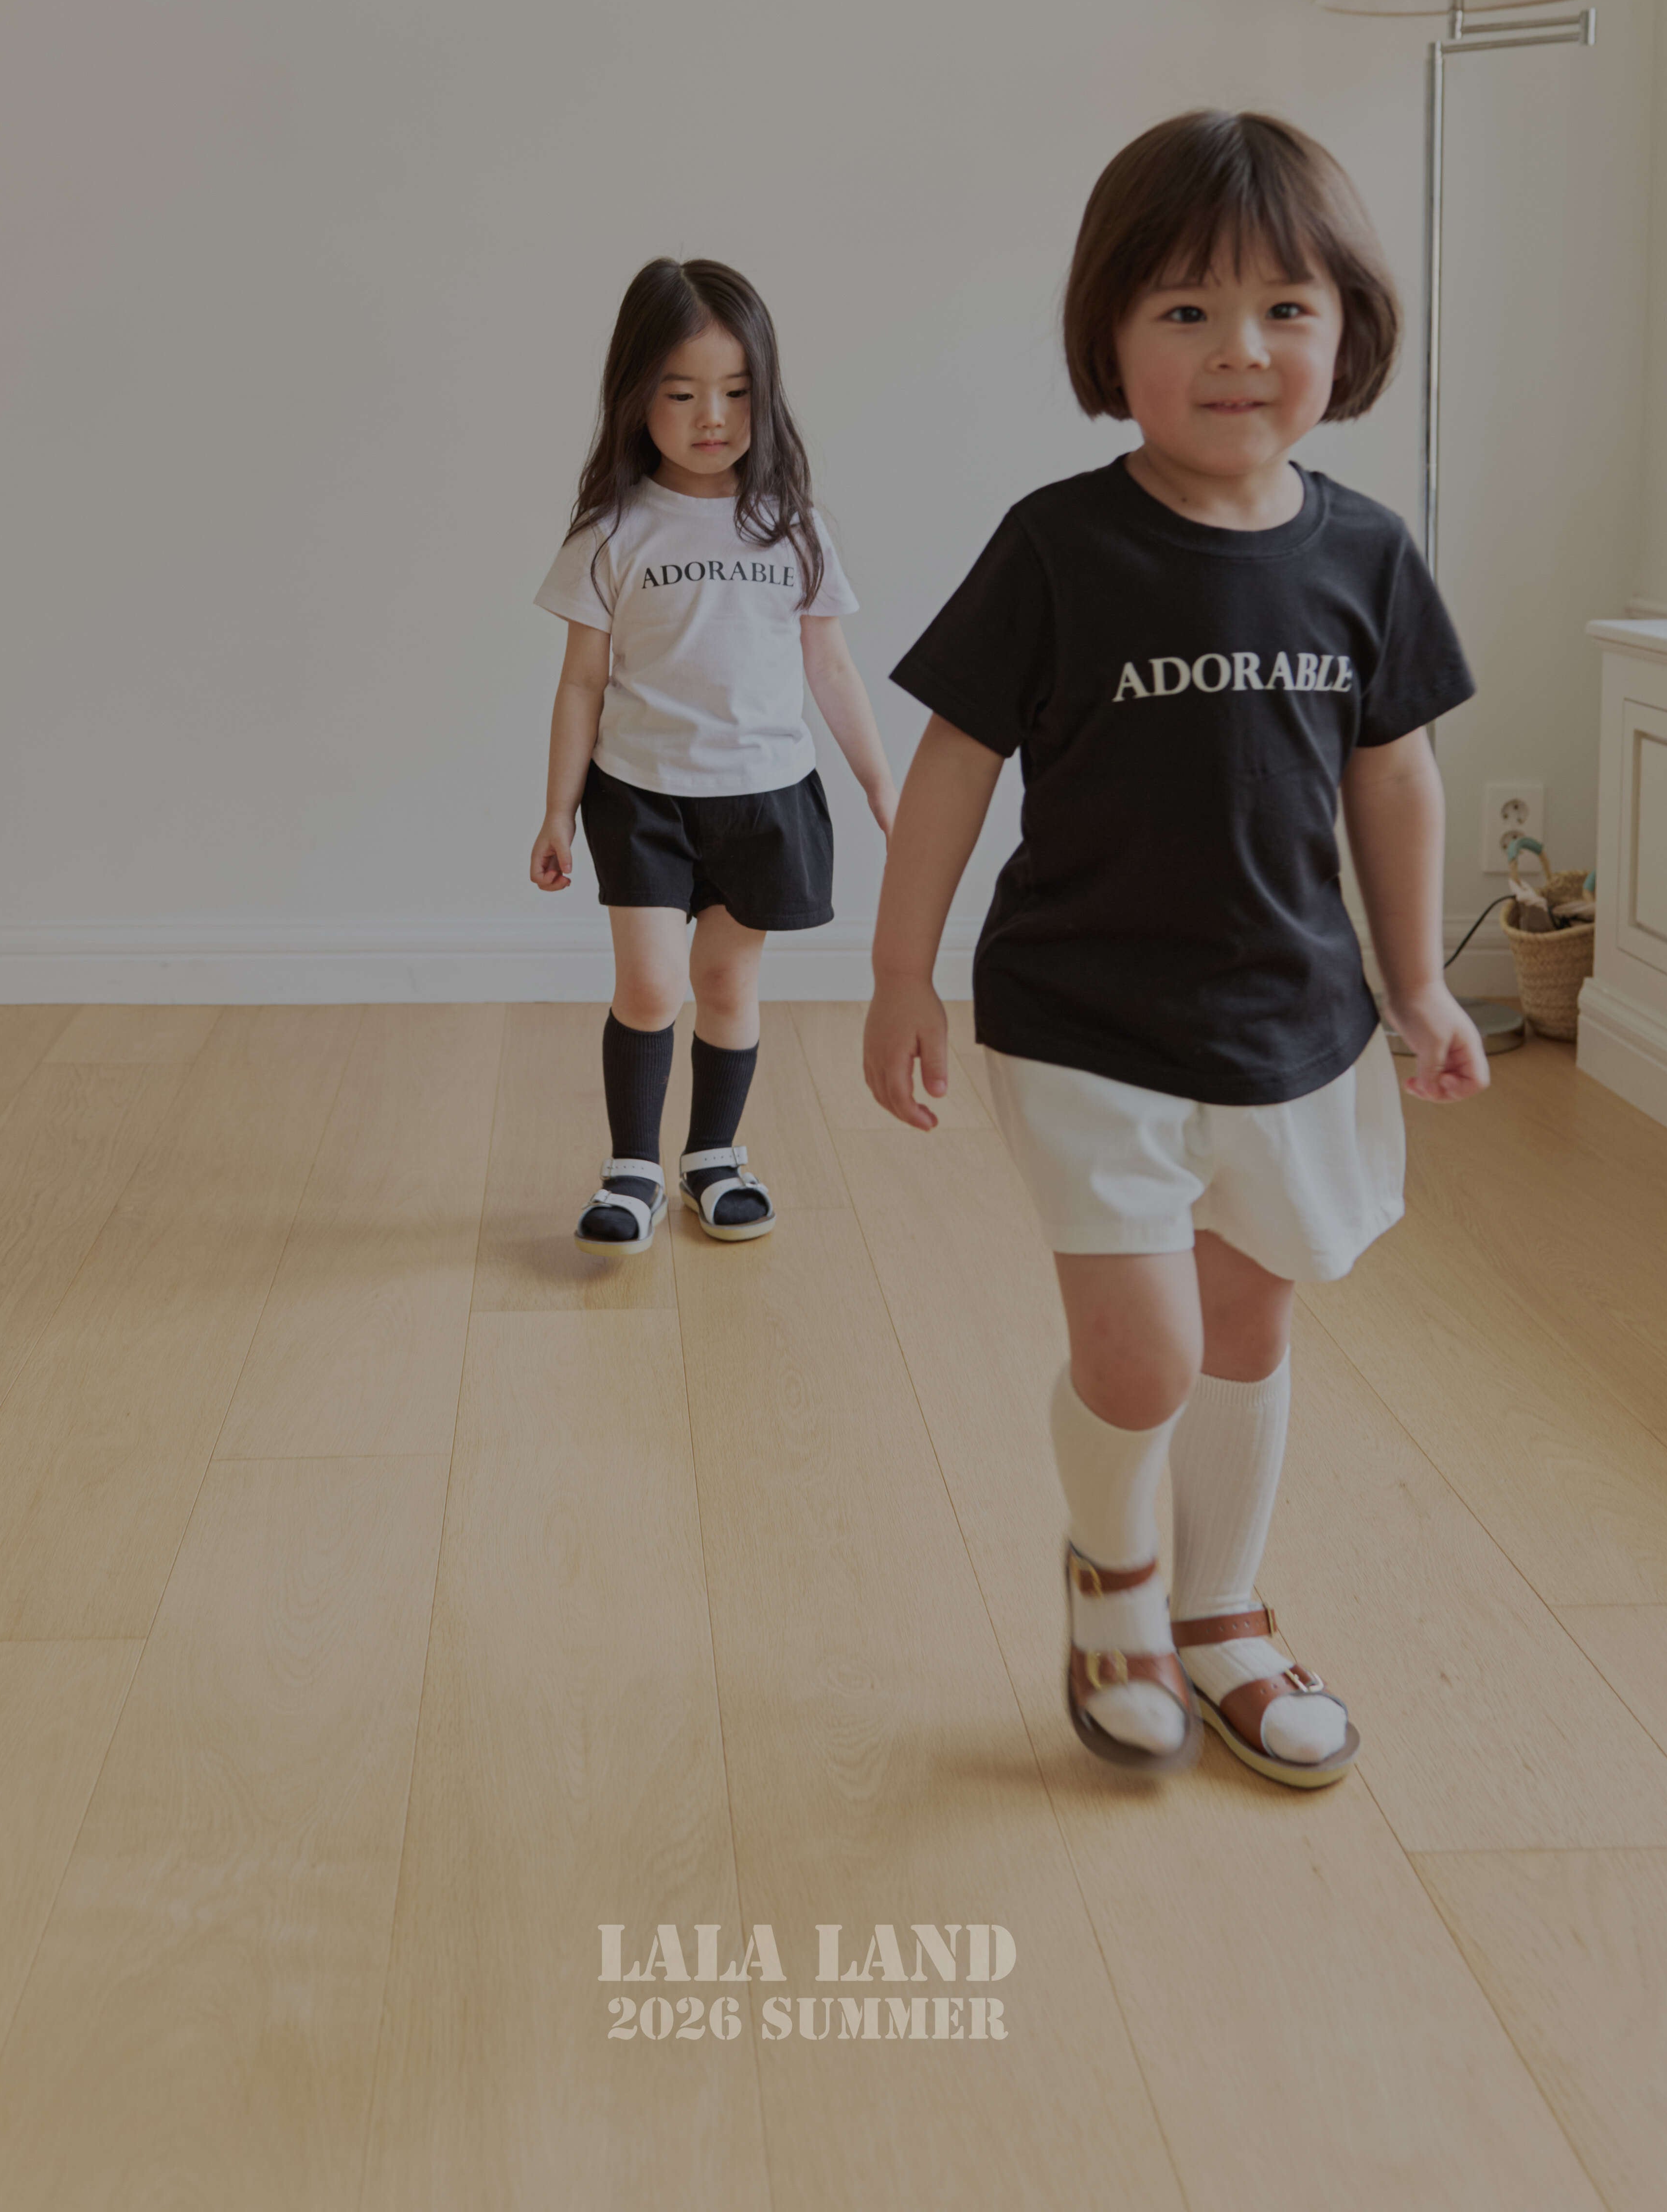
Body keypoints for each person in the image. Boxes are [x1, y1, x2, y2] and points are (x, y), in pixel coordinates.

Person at [863, 110, 1487, 1786]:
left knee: (1247, 1328)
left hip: (1291, 1020)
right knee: (1139, 1354)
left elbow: (1396, 774)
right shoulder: (1060, 547)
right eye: (1187, 311)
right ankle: (1117, 1586)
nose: (1239, 351)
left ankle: (1222, 1618)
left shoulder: (1366, 554)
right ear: (1111, 335)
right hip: (1083, 1013)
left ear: (1347, 330)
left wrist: (1420, 981)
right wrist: (901, 973)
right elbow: (954, 765)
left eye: (1285, 309)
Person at [534, 256, 896, 1258]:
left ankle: (713, 1158)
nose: (712, 417)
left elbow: (831, 668)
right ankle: (632, 1170)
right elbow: (580, 683)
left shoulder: (792, 528)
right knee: (652, 986)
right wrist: (558, 810)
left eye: (736, 392)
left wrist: (881, 784)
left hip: (766, 799)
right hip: (641, 797)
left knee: (728, 985)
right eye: (682, 393)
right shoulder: (613, 531)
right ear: (635, 396)